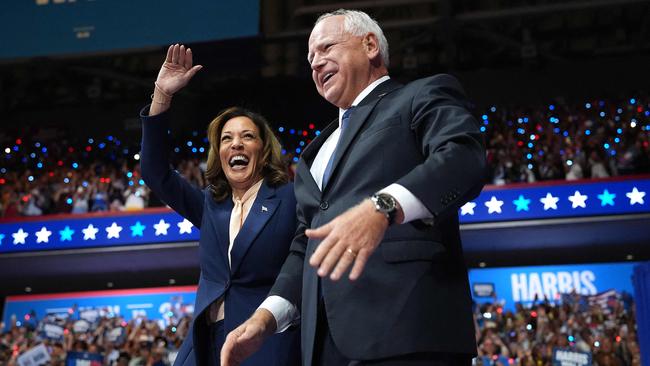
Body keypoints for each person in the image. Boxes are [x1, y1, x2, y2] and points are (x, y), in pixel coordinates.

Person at [221, 9, 487, 366]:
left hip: (408, 334)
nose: (315, 63)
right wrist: (265, 317)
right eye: (310, 58)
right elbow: (307, 245)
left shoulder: (419, 95)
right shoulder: (313, 153)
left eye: (326, 47)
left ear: (370, 45)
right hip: (323, 348)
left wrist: (382, 207)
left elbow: (463, 158)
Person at [139, 44, 300, 366]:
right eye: (226, 138)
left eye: (247, 136)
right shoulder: (209, 205)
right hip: (204, 343)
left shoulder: (290, 198)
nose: (236, 143)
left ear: (264, 149)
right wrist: (162, 96)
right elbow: (155, 173)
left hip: (263, 343)